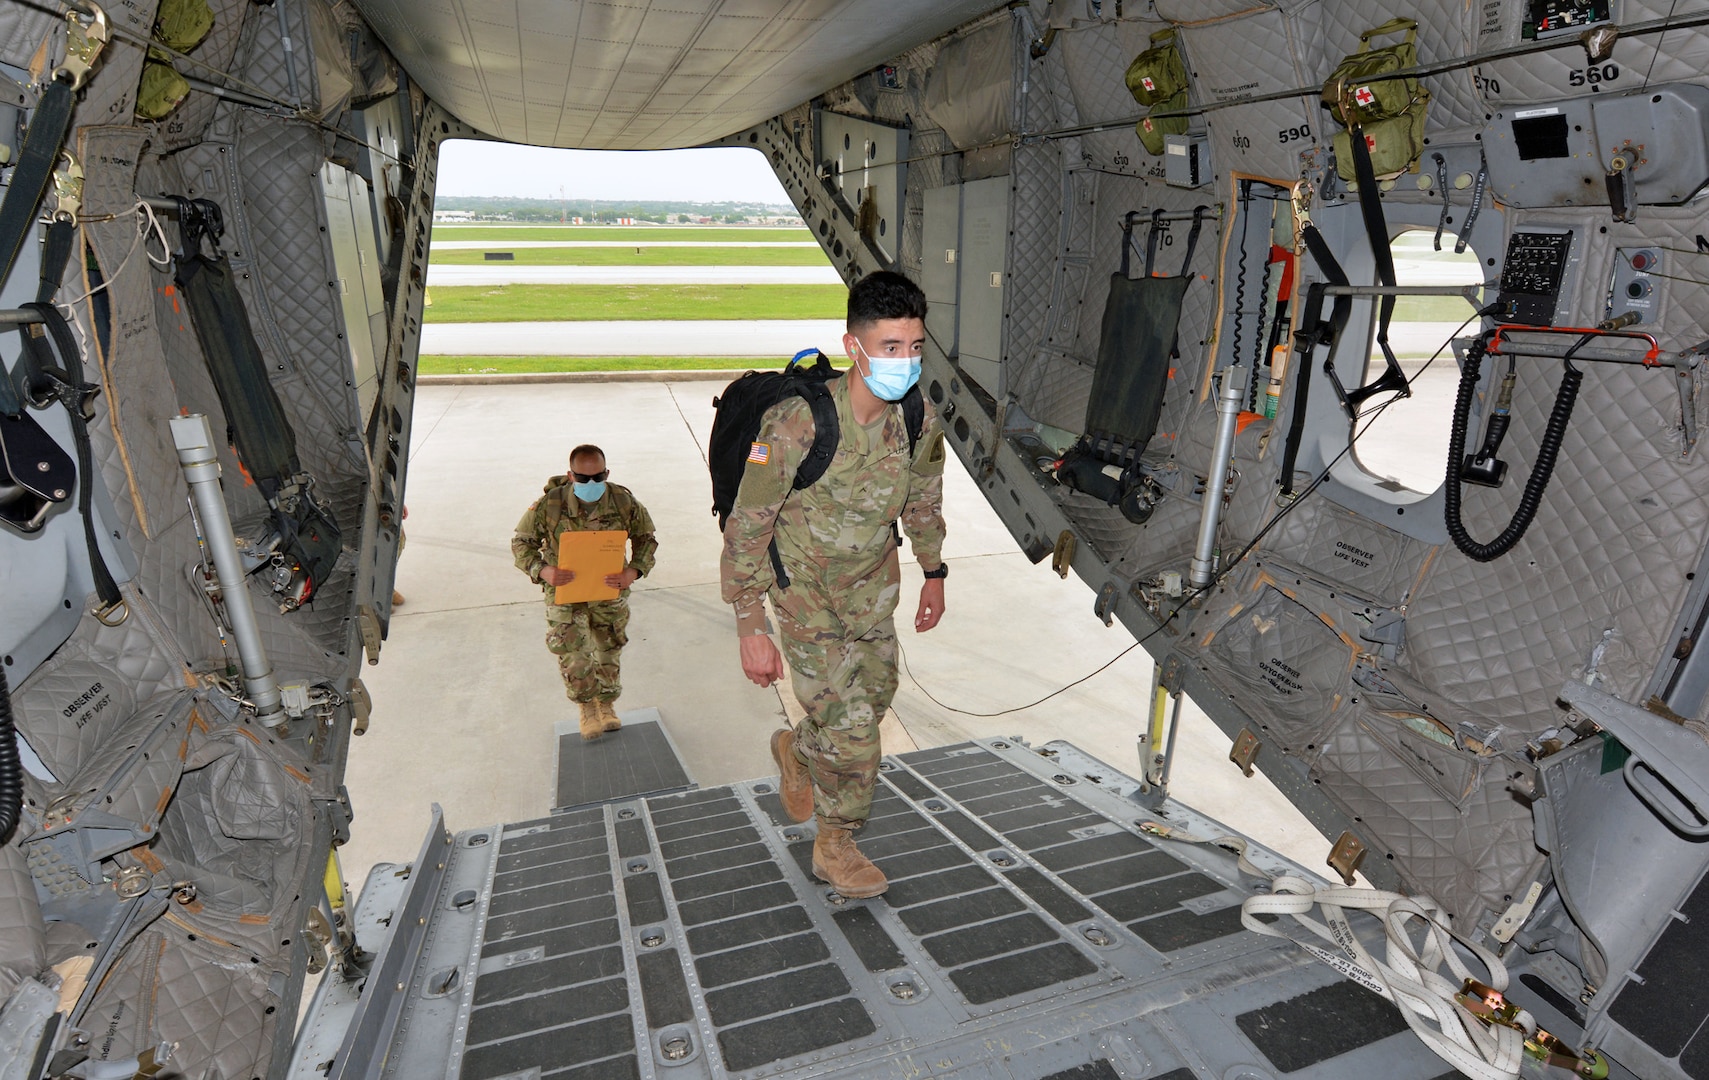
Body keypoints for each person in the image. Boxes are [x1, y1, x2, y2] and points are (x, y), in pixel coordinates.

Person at [720, 271, 948, 897]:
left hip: (871, 594)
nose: (906, 361)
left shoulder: (918, 418)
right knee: (854, 736)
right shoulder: (799, 424)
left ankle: (796, 751)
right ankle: (835, 843)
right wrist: (750, 627)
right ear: (854, 348)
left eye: (915, 346)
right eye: (891, 347)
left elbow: (923, 500)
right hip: (805, 601)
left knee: (872, 700)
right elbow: (747, 526)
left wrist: (933, 573)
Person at [514, 445, 657, 740]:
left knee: (608, 652)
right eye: (583, 478)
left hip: (607, 590)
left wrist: (633, 571)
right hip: (565, 591)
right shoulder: (550, 505)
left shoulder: (623, 501)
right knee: (574, 655)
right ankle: (586, 708)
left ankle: (606, 706)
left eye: (598, 477)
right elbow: (521, 544)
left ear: (607, 473)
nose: (591, 484)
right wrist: (544, 571)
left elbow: (646, 539)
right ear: (570, 475)